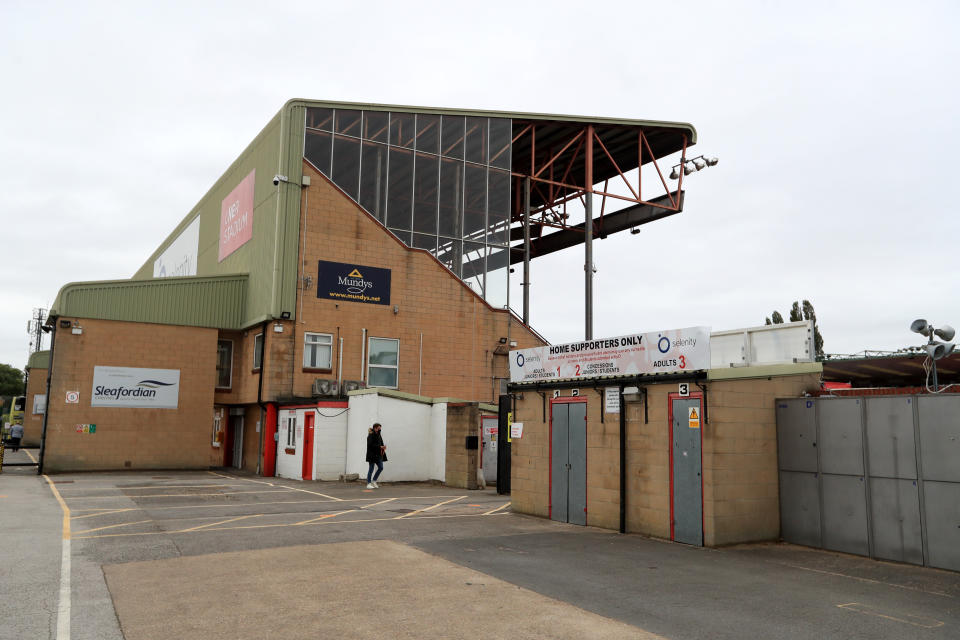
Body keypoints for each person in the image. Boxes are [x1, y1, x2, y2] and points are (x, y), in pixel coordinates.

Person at [365, 422, 387, 489]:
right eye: (379, 428)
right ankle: (368, 483)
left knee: (381, 467)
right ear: (375, 428)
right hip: (371, 455)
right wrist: (380, 447)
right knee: (371, 469)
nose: (380, 429)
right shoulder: (371, 435)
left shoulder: (379, 435)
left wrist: (383, 447)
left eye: (380, 428)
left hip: (378, 455)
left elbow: (381, 443)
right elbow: (370, 445)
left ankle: (374, 481)